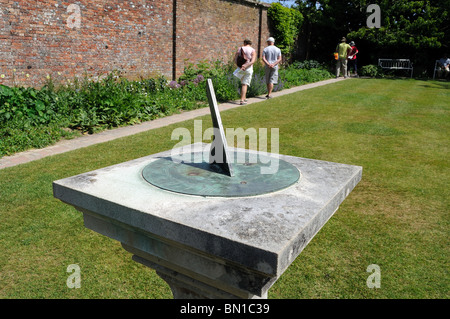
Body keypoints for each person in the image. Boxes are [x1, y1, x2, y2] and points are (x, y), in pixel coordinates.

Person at [234, 39, 256, 105]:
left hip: (240, 68)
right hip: (248, 69)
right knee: (244, 84)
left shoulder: (240, 49)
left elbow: (235, 59)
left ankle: (244, 97)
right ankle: (242, 100)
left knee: (242, 83)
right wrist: (246, 66)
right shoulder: (252, 50)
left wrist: (240, 66)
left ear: (244, 43)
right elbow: (252, 61)